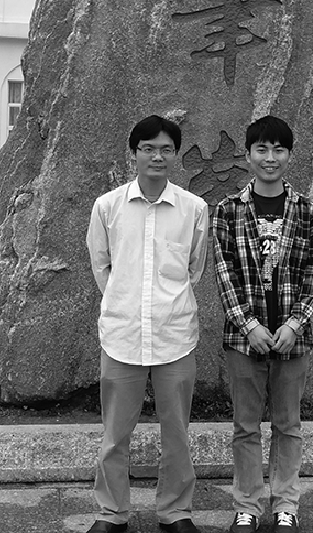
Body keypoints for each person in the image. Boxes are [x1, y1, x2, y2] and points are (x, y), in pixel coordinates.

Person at [85, 115, 210, 533]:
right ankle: (111, 513)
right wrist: (125, 303)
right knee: (114, 436)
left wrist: (164, 304)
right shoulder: (107, 206)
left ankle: (175, 512)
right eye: (148, 148)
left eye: (166, 149)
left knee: (176, 433)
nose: (157, 156)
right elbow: (101, 266)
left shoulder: (193, 208)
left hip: (175, 335)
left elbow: (194, 268)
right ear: (134, 153)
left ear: (175, 155)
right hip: (122, 335)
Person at [212, 115, 313, 533]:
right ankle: (247, 505)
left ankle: (286, 505)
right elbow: (223, 274)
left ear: (290, 155)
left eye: (278, 149)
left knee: (287, 425)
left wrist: (294, 324)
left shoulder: (308, 211)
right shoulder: (228, 211)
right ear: (248, 156)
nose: (270, 157)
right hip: (244, 339)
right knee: (245, 426)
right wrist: (248, 325)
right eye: (261, 149)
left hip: (294, 337)